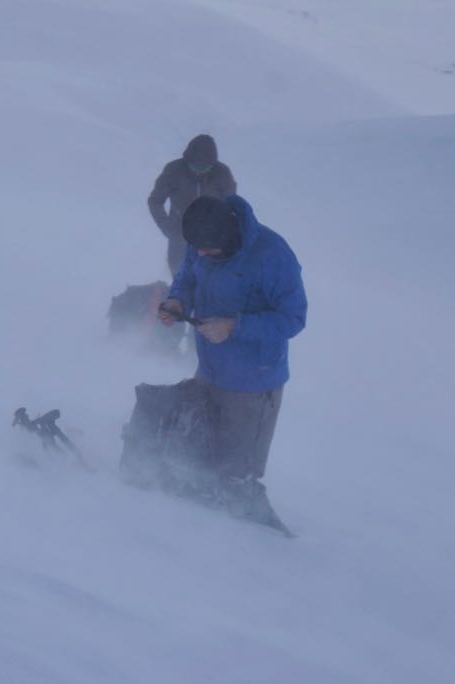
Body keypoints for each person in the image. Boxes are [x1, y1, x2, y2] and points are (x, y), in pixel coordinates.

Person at [157, 194, 307, 530]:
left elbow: (294, 318)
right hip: (209, 370)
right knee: (200, 458)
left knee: (236, 475)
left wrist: (235, 327)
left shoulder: (272, 256)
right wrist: (177, 302)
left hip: (253, 384)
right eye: (196, 248)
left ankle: (257, 544)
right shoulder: (203, 245)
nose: (200, 254)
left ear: (228, 240)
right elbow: (188, 277)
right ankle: (201, 536)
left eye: (207, 250)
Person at [148, 134, 237, 276]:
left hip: (212, 242)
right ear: (187, 160)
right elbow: (155, 201)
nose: (199, 171)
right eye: (195, 166)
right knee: (180, 280)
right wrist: (166, 227)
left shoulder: (222, 174)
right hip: (179, 238)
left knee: (210, 283)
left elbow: (233, 205)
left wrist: (224, 234)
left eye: (204, 167)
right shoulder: (174, 171)